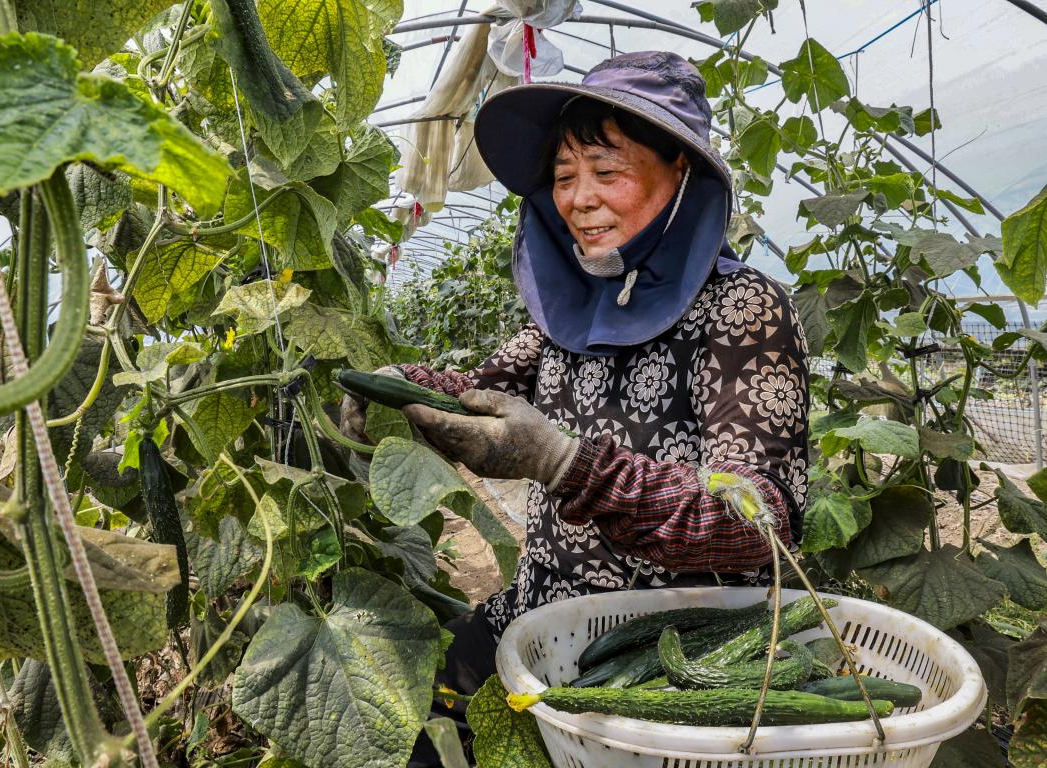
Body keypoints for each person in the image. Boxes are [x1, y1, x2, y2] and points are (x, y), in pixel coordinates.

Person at [341, 50, 809, 765]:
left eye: (606, 171)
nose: (578, 200)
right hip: (543, 616)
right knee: (419, 725)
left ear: (681, 170)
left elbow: (761, 523)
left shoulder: (743, 309)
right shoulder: (571, 312)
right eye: (563, 177)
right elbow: (478, 391)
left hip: (672, 661)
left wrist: (567, 464)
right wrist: (398, 385)